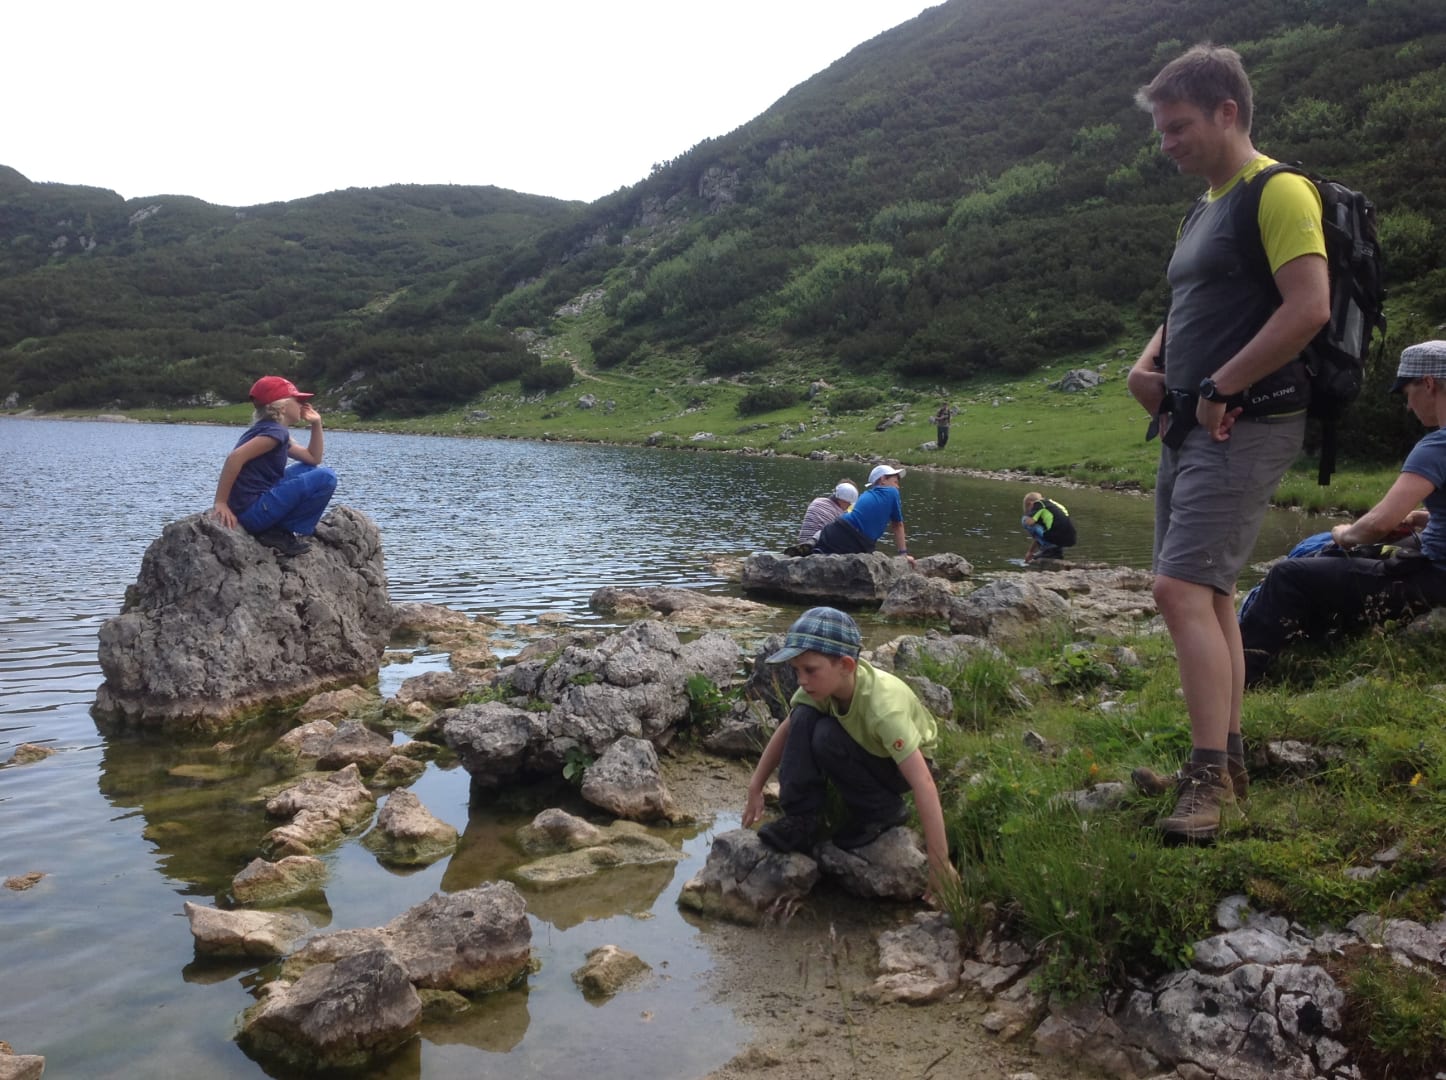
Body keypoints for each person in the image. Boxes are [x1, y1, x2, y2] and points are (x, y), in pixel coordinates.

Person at [1125, 44, 1330, 842]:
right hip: (1187, 424)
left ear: (1227, 112)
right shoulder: (1203, 208)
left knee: (1177, 590)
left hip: (1244, 423)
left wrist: (1221, 385)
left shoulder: (1278, 191)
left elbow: (1308, 306)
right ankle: (1227, 762)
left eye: (1178, 127)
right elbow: (1188, 304)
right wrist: (1148, 366)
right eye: (1161, 130)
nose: (1166, 143)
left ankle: (1206, 779)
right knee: (1210, 594)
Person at [1237, 341, 1446, 684]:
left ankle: (1242, 677)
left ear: (1428, 383)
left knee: (1288, 575)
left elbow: (1378, 523)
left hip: (1436, 579)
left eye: (1408, 393)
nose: (1409, 406)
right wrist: (1429, 519)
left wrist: (1345, 534)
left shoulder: (1436, 446)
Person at [742, 607, 957, 903]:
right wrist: (755, 786)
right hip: (865, 746)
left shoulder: (884, 708)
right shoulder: (820, 688)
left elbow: (924, 783)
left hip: (899, 767)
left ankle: (881, 810)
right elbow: (787, 731)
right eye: (796, 670)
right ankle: (802, 819)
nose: (802, 680)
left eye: (810, 670)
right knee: (803, 716)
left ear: (845, 665)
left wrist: (939, 863)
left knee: (825, 736)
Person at [210, 375, 337, 557]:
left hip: (254, 508)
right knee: (327, 477)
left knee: (309, 469)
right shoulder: (275, 433)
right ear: (282, 407)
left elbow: (312, 458)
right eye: (298, 400)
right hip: (252, 514)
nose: (302, 405)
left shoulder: (271, 430)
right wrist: (221, 502)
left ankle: (278, 528)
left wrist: (316, 423)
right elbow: (234, 458)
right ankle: (280, 531)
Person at [811, 464, 916, 567]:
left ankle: (812, 544)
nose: (898, 487)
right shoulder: (892, 492)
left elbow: (852, 513)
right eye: (895, 482)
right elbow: (898, 525)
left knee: (820, 555)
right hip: (857, 541)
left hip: (835, 529)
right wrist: (903, 554)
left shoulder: (865, 495)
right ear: (883, 479)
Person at [795, 481, 858, 546]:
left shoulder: (817, 501)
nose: (849, 506)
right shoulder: (840, 514)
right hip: (818, 546)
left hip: (802, 542)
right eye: (849, 504)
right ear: (843, 501)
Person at [1021, 491, 1077, 562]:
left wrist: (1029, 515)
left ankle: (1049, 549)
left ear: (1030, 503)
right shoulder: (1053, 505)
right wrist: (1030, 552)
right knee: (1042, 528)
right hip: (1070, 538)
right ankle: (1054, 551)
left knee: (1024, 520)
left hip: (1056, 536)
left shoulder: (1038, 504)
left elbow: (1029, 523)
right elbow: (1039, 534)